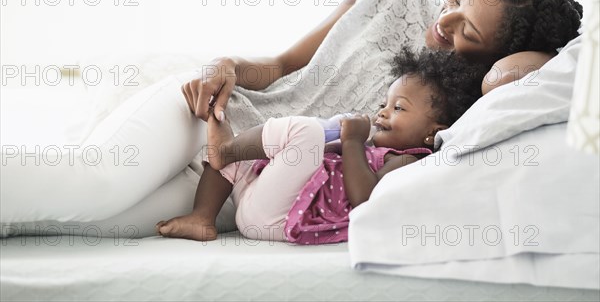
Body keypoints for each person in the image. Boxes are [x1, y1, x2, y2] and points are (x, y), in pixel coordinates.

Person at [0, 0, 583, 234]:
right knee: (94, 183)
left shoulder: (457, 98)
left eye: (467, 32)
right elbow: (280, 65)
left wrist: (554, 48)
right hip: (221, 114)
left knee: (71, 222)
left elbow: (519, 78)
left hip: (241, 187)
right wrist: (227, 65)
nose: (445, 20)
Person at [155, 48, 489, 243]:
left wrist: (353, 141)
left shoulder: (408, 161)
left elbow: (365, 200)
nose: (384, 112)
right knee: (252, 154)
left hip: (282, 219)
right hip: (264, 202)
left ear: (433, 134)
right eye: (385, 104)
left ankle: (225, 149)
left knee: (308, 133)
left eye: (399, 108)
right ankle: (203, 216)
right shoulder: (374, 146)